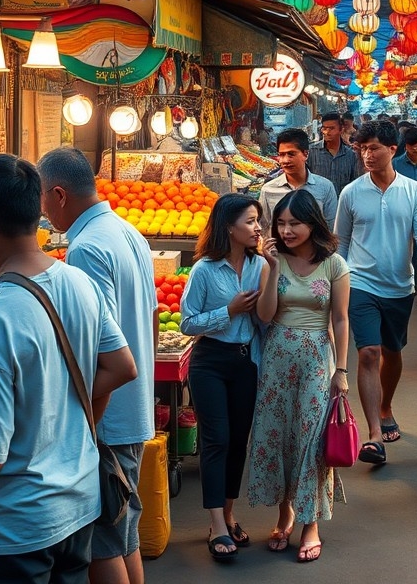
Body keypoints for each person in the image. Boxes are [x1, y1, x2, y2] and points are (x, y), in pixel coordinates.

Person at [0, 153, 137, 584]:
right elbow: (121, 366)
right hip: (77, 509)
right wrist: (57, 408)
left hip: (13, 532)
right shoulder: (78, 282)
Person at [38, 147, 157, 584]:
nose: (42, 213)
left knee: (102, 543)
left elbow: (99, 350)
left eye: (42, 202)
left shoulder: (86, 249)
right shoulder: (126, 231)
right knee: (123, 533)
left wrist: (86, 424)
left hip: (107, 419)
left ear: (58, 194)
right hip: (134, 409)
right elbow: (144, 320)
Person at [248, 190, 350, 563]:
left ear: (314, 224)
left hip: (317, 362)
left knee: (310, 438)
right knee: (279, 435)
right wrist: (273, 269)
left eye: (295, 223)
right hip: (277, 359)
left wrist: (341, 370)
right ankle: (285, 511)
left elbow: (340, 319)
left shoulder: (335, 264)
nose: (287, 230)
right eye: (282, 223)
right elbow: (264, 315)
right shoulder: (270, 262)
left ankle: (311, 523)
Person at [335, 120, 417, 466]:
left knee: (393, 352)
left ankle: (386, 404)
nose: (367, 154)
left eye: (373, 148)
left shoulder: (413, 191)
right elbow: (342, 243)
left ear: (392, 150)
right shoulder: (351, 193)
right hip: (360, 283)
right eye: (362, 148)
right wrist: (337, 282)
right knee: (368, 353)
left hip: (399, 286)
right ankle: (374, 434)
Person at [181, 194, 272, 562]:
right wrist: (228, 310)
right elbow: (188, 322)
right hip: (210, 362)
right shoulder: (204, 269)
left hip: (246, 360)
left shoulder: (261, 266)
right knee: (216, 440)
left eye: (257, 221)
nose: (258, 228)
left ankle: (229, 513)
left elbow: (265, 321)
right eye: (250, 221)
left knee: (238, 442)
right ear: (228, 227)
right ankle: (216, 524)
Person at [260, 129, 338, 231]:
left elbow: (331, 228)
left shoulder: (325, 187)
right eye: (281, 155)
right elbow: (264, 229)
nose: (285, 161)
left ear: (306, 154)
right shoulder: (268, 190)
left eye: (291, 154)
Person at [307, 112, 362, 197]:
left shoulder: (350, 155)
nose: (327, 132)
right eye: (324, 128)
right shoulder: (312, 152)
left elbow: (355, 183)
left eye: (331, 128)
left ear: (341, 130)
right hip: (317, 204)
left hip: (341, 205)